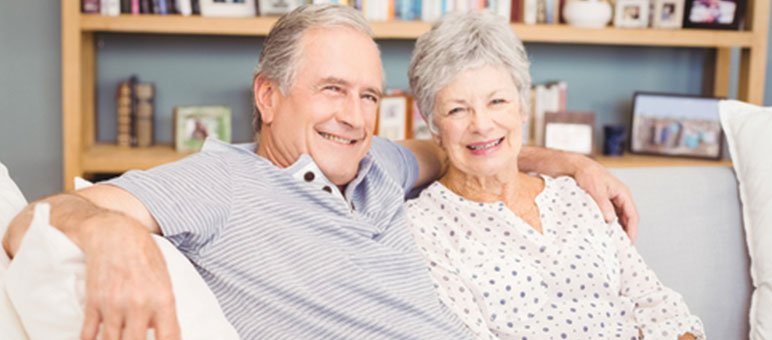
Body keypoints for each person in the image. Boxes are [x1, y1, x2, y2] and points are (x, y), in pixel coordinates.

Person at [3, 5, 638, 339]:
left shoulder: (380, 163)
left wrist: (567, 163)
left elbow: (458, 140)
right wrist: (113, 234)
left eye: (368, 96)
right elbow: (33, 220)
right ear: (268, 96)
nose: (355, 116)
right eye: (332, 89)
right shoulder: (221, 182)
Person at [404, 12, 703, 340]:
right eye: (458, 109)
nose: (482, 124)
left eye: (497, 101)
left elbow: (659, 305)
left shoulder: (576, 193)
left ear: (522, 109)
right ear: (433, 126)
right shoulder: (425, 227)